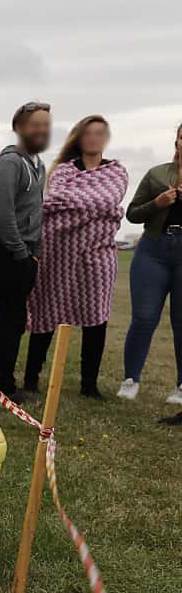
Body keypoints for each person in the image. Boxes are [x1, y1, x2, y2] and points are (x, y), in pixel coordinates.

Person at [21, 116, 126, 398]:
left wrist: (74, 205)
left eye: (100, 133)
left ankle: (88, 385)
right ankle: (31, 378)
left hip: (99, 253)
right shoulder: (64, 171)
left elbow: (108, 200)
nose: (94, 138)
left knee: (96, 316)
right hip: (58, 252)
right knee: (46, 312)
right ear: (79, 138)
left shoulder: (116, 172)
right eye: (88, 133)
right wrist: (95, 207)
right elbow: (51, 201)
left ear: (107, 138)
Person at [0, 102, 52, 400]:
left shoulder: (37, 164)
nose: (42, 130)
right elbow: (4, 215)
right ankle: (1, 385)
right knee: (11, 320)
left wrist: (33, 251)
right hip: (7, 253)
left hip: (25, 253)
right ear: (19, 127)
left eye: (46, 125)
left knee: (13, 319)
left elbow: (35, 212)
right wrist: (22, 254)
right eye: (35, 124)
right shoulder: (10, 163)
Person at [119, 121, 182, 404]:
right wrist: (157, 203)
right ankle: (130, 379)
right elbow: (132, 213)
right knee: (144, 319)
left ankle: (181, 387)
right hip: (152, 252)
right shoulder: (157, 174)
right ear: (177, 142)